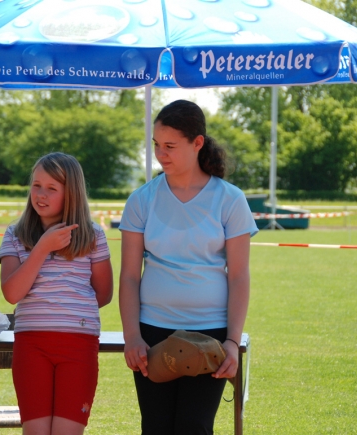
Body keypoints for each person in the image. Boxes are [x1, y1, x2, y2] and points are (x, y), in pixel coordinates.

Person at [119, 100, 258, 435]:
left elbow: (239, 277)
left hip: (210, 335)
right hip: (152, 333)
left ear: (197, 143)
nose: (160, 154)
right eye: (156, 145)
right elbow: (128, 276)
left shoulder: (230, 199)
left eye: (170, 146)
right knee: (156, 427)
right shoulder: (141, 199)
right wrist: (132, 336)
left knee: (194, 427)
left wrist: (231, 342)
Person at [0, 152, 113, 435]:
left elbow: (104, 293)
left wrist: (71, 312)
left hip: (79, 346)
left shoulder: (94, 235)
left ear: (71, 193)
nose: (41, 194)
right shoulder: (15, 234)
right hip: (31, 345)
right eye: (36, 185)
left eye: (52, 188)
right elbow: (12, 293)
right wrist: (42, 248)